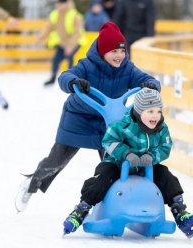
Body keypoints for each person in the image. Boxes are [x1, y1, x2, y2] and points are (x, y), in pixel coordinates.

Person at [15, 22, 160, 212]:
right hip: (79, 118)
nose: (119, 56)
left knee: (114, 164)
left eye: (122, 51)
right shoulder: (87, 65)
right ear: (102, 52)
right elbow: (64, 76)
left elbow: (149, 80)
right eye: (114, 51)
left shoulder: (127, 69)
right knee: (57, 160)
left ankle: (113, 202)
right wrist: (74, 81)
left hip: (109, 122)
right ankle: (31, 184)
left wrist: (150, 85)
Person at [62, 88, 193, 238]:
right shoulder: (122, 125)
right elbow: (108, 141)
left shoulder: (161, 128)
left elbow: (166, 147)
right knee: (102, 178)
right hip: (117, 163)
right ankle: (82, 209)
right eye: (149, 111)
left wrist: (152, 155)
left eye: (158, 111)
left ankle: (180, 213)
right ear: (139, 110)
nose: (155, 116)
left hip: (145, 166)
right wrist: (126, 153)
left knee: (167, 177)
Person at [37, 0, 86, 86]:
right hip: (62, 43)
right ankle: (52, 78)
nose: (58, 5)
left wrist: (70, 46)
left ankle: (72, 79)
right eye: (58, 3)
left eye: (61, 3)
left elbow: (77, 33)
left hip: (75, 42)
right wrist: (41, 37)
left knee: (70, 58)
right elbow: (48, 27)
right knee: (56, 60)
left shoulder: (74, 15)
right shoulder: (54, 14)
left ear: (66, 4)